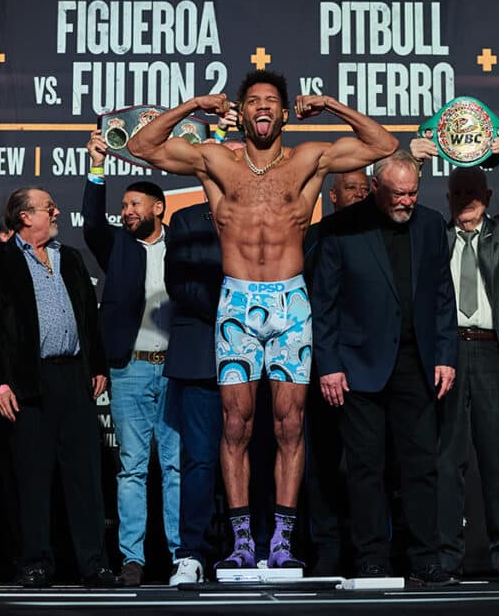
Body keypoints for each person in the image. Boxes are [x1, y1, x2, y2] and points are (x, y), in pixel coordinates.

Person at [127, 70, 397, 570]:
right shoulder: (215, 161)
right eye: (253, 102)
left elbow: (382, 143)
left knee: (291, 425)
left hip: (291, 306)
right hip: (236, 306)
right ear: (243, 112)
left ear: (285, 112)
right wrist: (194, 106)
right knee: (236, 426)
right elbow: (144, 146)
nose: (263, 108)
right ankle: (243, 541)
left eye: (273, 101)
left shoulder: (309, 160)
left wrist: (331, 104)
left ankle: (282, 541)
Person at [311, 150, 457, 584]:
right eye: (398, 194)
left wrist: (446, 354)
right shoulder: (341, 228)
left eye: (413, 193)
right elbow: (324, 303)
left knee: (420, 466)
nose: (407, 202)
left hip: (419, 364)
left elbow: (443, 296)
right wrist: (329, 366)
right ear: (376, 188)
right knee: (365, 468)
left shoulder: (431, 225)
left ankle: (426, 558)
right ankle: (372, 557)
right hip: (358, 367)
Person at [411, 131, 499, 584]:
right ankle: (445, 559)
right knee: (446, 459)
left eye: (472, 193)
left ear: (487, 197)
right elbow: (398, 212)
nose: (465, 200)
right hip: (444, 355)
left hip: (492, 351)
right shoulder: (431, 233)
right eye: (457, 193)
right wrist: (416, 164)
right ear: (447, 197)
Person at [0, 187, 117, 589]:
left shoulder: (69, 257)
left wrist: (98, 364)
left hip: (73, 376)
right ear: (23, 218)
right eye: (46, 207)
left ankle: (94, 562)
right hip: (25, 380)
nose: (56, 211)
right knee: (31, 478)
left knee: (85, 476)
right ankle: (35, 561)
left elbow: (90, 316)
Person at [83, 132, 180, 586]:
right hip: (130, 369)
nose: (127, 212)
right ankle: (133, 559)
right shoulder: (117, 247)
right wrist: (97, 167)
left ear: (158, 208)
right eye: (123, 207)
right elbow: (90, 226)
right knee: (134, 469)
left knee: (178, 466)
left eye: (135, 205)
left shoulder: (182, 244)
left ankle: (183, 554)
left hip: (178, 369)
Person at [301, 168, 370, 575]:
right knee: (322, 462)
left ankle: (372, 549)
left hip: (370, 365)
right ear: (332, 195)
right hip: (322, 363)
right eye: (351, 189)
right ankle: (326, 549)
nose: (359, 195)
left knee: (371, 463)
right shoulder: (315, 236)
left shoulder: (382, 234)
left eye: (365, 189)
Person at [164, 199, 225, 584]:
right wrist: (234, 314)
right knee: (199, 460)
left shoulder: (268, 209)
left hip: (263, 354)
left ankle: (255, 548)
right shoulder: (188, 219)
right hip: (203, 352)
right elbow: (180, 284)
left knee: (259, 457)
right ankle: (192, 553)